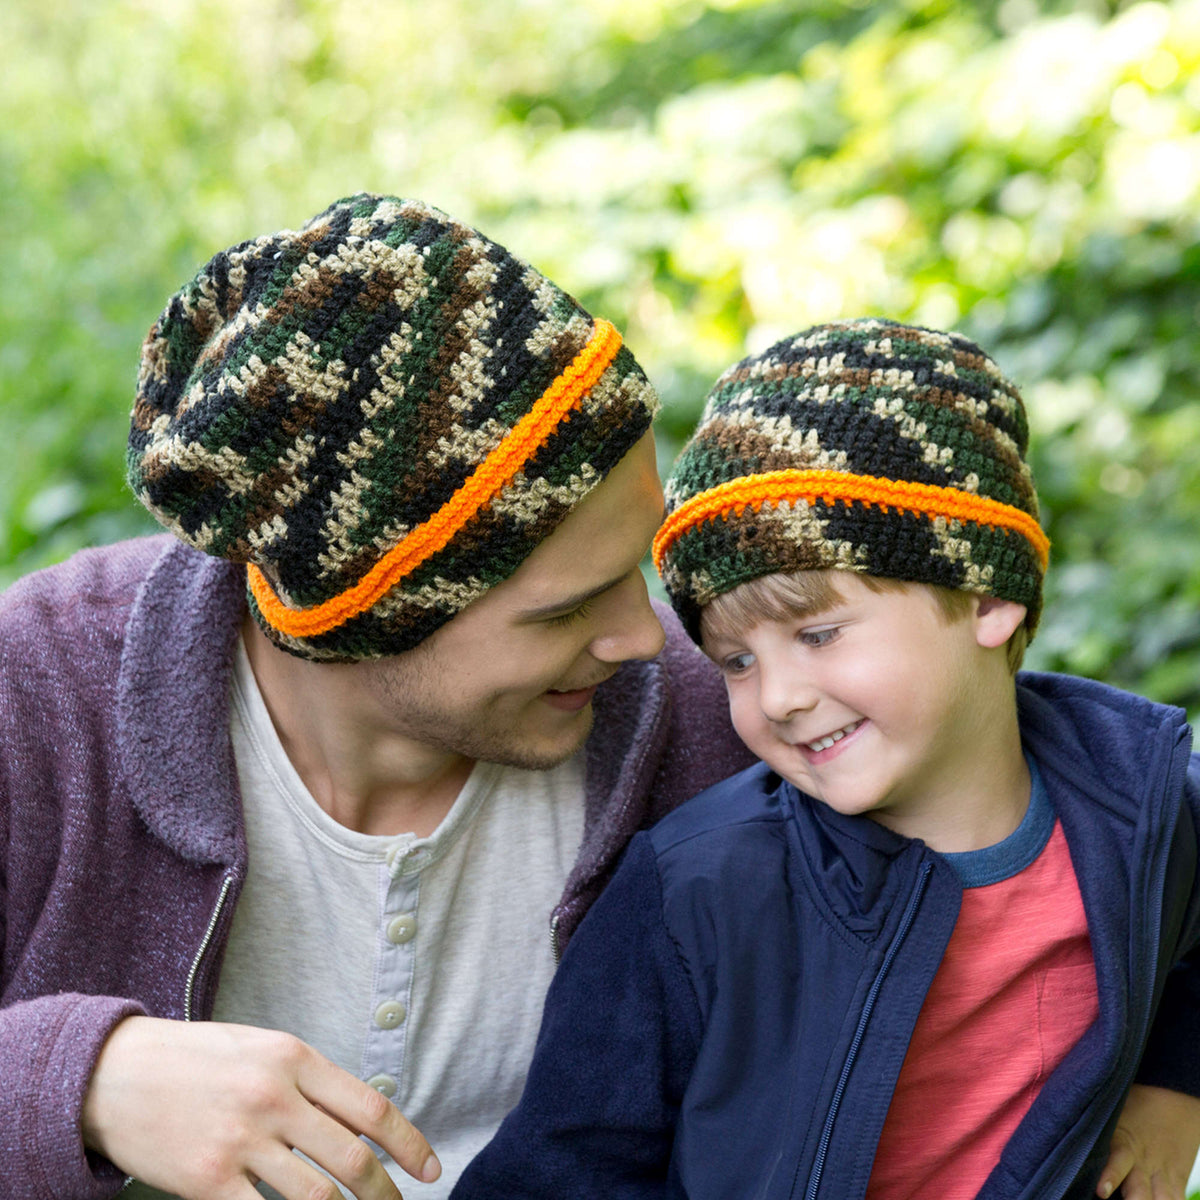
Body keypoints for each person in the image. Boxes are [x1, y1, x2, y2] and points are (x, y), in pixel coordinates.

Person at [0, 193, 755, 1200]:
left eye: (638, 567)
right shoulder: (42, 692)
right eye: (563, 610)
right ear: (363, 616)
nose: (637, 636)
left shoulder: (704, 727)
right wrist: (81, 1079)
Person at [451, 318, 1200, 1200]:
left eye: (818, 632)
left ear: (989, 597)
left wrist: (1174, 1089)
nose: (777, 697)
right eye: (737, 660)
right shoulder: (695, 890)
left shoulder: (1144, 805)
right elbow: (562, 1170)